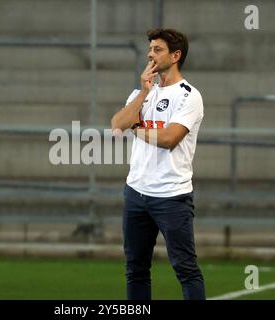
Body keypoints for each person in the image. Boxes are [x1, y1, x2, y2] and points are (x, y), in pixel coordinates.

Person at [110, 28, 206, 300]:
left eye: (157, 49)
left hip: (171, 197)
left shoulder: (189, 96)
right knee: (136, 270)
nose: (150, 54)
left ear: (175, 56)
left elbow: (169, 138)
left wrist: (135, 127)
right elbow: (116, 125)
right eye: (150, 48)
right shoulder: (142, 92)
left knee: (186, 270)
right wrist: (143, 93)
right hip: (136, 194)